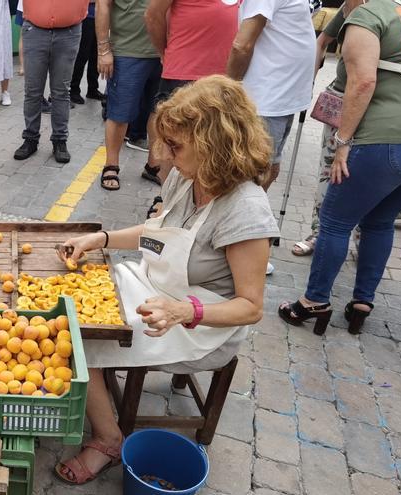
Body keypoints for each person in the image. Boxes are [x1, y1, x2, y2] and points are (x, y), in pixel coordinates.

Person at [55, 76, 277, 484]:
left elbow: (251, 307)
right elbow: (155, 232)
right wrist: (100, 238)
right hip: (154, 287)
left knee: (74, 338)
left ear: (214, 143)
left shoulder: (245, 210)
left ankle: (108, 438)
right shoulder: (185, 177)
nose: (165, 156)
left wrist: (183, 311)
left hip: (200, 326)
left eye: (175, 146)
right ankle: (98, 385)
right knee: (68, 299)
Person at [279, 0, 401, 336]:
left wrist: (343, 142)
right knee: (379, 221)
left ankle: (313, 301)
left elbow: (362, 83)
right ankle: (362, 303)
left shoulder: (369, 16)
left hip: (381, 139)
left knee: (334, 221)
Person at [142, 0, 239, 186]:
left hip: (222, 78)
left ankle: (193, 199)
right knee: (175, 141)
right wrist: (165, 53)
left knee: (210, 143)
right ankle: (164, 198)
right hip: (183, 72)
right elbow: (153, 15)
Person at [227, 0, 316, 192]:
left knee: (267, 170)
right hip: (267, 99)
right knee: (254, 175)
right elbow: (241, 45)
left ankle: (248, 217)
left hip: (280, 97)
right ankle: (240, 219)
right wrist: (228, 90)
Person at [292, 7, 347, 256]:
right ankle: (318, 232)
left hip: (382, 107)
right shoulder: (352, 6)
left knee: (366, 175)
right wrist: (309, 83)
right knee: (329, 171)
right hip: (343, 100)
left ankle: (362, 239)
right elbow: (322, 41)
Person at [96, 0, 162, 191]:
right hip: (128, 51)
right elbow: (103, 5)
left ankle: (153, 165)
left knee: (158, 112)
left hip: (165, 51)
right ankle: (111, 166)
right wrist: (103, 49)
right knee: (119, 113)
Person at [12, 0, 86, 164]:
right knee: (32, 91)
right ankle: (30, 138)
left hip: (69, 31)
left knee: (61, 91)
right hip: (35, 30)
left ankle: (60, 140)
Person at [69, 0, 101, 105]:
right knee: (82, 55)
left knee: (96, 55)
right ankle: (73, 90)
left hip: (100, 16)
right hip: (85, 17)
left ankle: (93, 89)